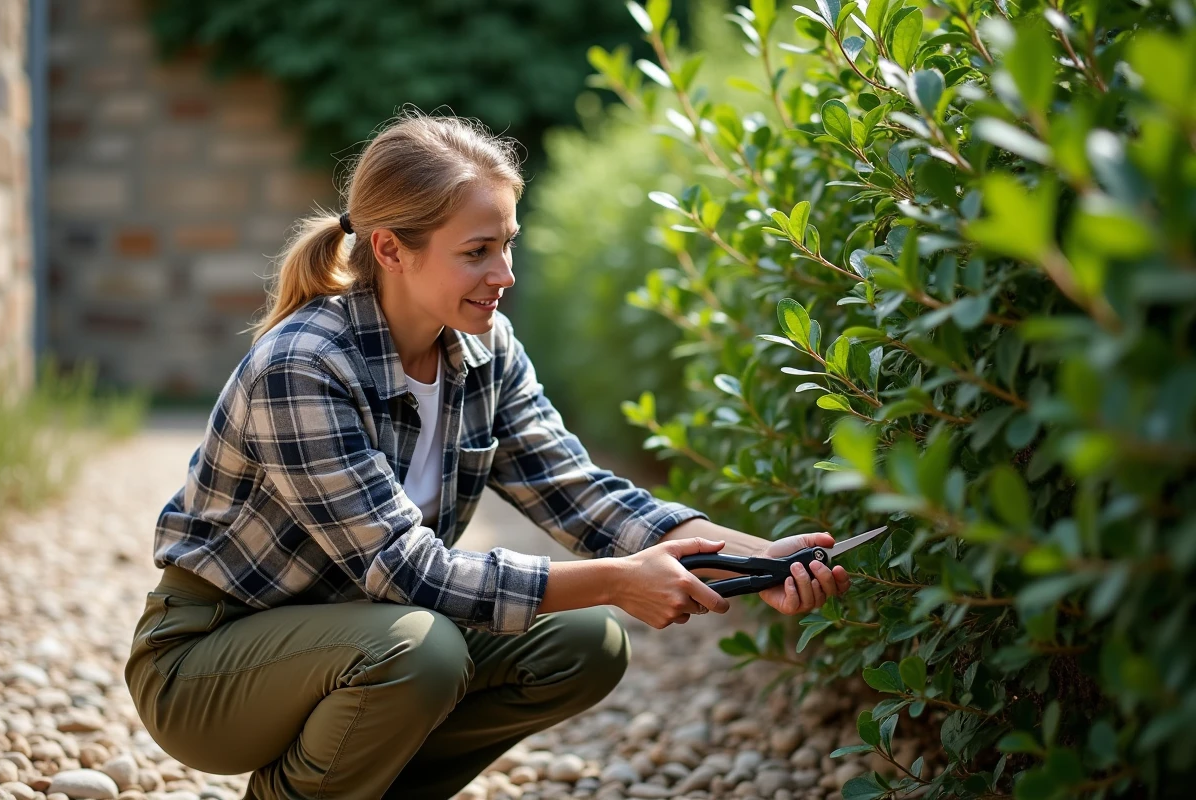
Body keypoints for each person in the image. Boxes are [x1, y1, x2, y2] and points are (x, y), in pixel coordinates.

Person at [122, 111, 852, 800]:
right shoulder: (305, 364)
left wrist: (757, 560)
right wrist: (619, 581)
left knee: (584, 643)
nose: (504, 273)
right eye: (476, 252)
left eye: (507, 243)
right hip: (209, 663)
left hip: (363, 634)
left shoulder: (485, 349)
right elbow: (409, 571)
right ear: (390, 249)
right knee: (423, 650)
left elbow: (582, 495)